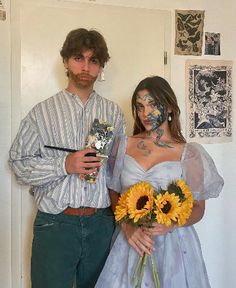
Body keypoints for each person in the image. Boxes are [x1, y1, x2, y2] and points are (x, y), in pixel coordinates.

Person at [9, 28, 125, 288]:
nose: (85, 66)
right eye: (78, 58)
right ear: (65, 61)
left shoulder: (114, 113)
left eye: (93, 60)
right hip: (55, 223)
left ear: (101, 66)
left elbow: (118, 171)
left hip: (101, 224)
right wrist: (64, 164)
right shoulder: (41, 113)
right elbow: (18, 163)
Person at [95, 76, 224, 288]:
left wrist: (170, 223)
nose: (145, 113)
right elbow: (113, 193)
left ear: (170, 107)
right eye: (140, 106)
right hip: (132, 243)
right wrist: (127, 226)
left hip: (175, 248)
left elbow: (199, 208)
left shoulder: (189, 153)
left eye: (153, 104)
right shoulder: (123, 146)